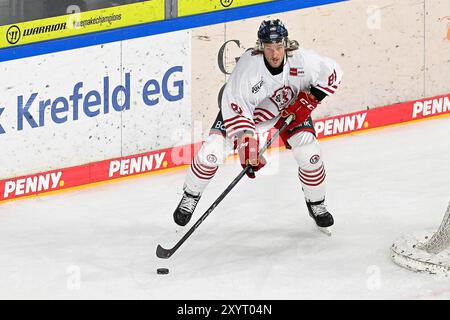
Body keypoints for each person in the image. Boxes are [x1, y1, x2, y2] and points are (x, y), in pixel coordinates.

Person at [172, 19, 343, 232]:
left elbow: (334, 72)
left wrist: (311, 99)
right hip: (249, 117)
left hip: (290, 111)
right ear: (261, 47)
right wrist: (247, 146)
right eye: (269, 48)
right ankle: (191, 195)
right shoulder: (249, 68)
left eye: (279, 47)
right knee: (211, 153)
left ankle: (316, 204)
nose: (275, 54)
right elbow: (237, 108)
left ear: (285, 44)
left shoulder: (302, 60)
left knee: (310, 155)